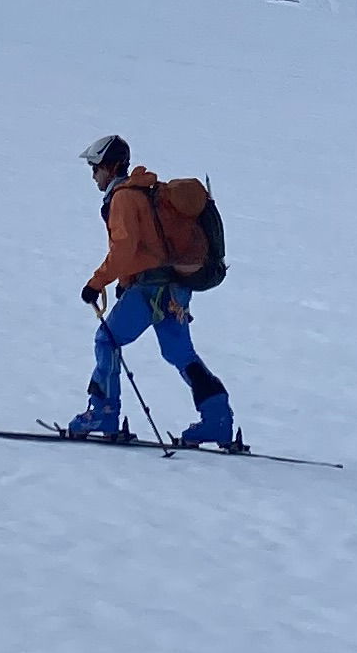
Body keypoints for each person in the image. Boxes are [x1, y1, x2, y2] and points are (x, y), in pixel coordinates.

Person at [68, 133, 238, 448]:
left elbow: (125, 249)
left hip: (151, 289)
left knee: (107, 340)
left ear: (111, 166)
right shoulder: (145, 192)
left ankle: (103, 412)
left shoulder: (123, 197)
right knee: (179, 352)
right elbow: (145, 246)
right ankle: (217, 419)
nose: (93, 174)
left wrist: (96, 283)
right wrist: (124, 284)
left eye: (96, 167)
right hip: (175, 290)